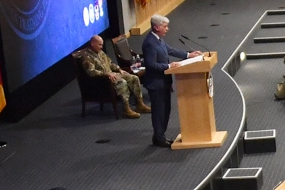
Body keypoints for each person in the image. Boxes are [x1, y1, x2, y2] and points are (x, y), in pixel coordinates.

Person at [140, 14, 201, 147]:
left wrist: (189, 55)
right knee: (159, 112)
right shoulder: (149, 43)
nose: (167, 29)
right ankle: (158, 138)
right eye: (165, 26)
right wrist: (169, 66)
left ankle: (161, 136)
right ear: (156, 27)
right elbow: (151, 65)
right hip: (156, 84)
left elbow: (170, 50)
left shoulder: (158, 39)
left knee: (165, 110)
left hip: (164, 82)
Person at [82, 34, 149, 116]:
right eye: (99, 44)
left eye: (102, 44)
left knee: (134, 78)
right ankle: (126, 109)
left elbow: (110, 63)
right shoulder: (87, 57)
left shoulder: (100, 52)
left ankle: (140, 104)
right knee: (122, 82)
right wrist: (106, 74)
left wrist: (119, 69)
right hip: (103, 80)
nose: (101, 47)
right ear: (93, 43)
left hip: (113, 74)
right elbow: (91, 72)